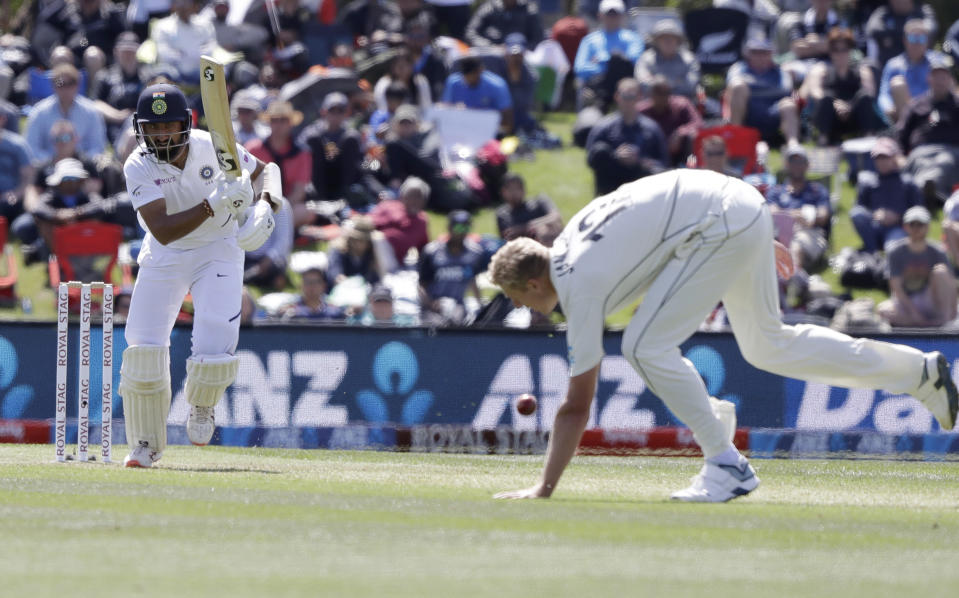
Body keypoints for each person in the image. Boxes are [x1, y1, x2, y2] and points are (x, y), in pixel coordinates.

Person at [489, 169, 958, 502]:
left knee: (642, 345)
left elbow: (576, 405)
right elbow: (656, 212)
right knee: (766, 343)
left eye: (513, 295)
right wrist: (754, 230)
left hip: (721, 222)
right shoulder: (572, 238)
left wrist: (544, 488)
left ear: (533, 283)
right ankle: (918, 373)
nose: (516, 305)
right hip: (734, 207)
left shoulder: (578, 285)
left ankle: (725, 463)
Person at [119, 83, 278, 467]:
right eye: (152, 128)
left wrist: (266, 206)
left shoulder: (214, 146)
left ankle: (202, 406)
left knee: (216, 338)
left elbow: (265, 171)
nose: (160, 136)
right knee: (142, 348)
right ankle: (145, 444)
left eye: (167, 126)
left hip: (219, 248)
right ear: (140, 130)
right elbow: (164, 230)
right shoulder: (137, 164)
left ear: (185, 124)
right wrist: (212, 203)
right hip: (167, 252)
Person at [585, 78, 667, 196]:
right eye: (625, 96)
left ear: (639, 97)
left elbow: (663, 163)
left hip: (642, 189)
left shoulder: (652, 129)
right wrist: (615, 156)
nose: (628, 102)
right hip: (611, 188)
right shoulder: (603, 127)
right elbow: (591, 159)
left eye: (632, 97)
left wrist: (638, 161)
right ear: (617, 97)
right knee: (601, 149)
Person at [878, 206, 957, 327]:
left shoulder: (938, 251)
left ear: (928, 227)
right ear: (905, 226)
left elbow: (950, 284)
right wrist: (914, 314)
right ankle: (928, 324)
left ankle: (944, 323)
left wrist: (951, 311)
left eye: (920, 224)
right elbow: (896, 288)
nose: (916, 228)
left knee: (941, 272)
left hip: (931, 299)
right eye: (912, 224)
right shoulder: (895, 251)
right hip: (906, 302)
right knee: (883, 310)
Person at [897, 55, 959, 205]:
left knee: (944, 163)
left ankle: (921, 192)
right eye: (936, 76)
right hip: (920, 152)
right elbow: (900, 134)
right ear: (929, 79)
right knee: (921, 163)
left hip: (949, 151)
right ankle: (931, 193)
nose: (940, 81)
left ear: (950, 80)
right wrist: (899, 156)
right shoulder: (915, 105)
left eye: (943, 77)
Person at [764, 145, 831, 272]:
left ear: (807, 165)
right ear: (786, 165)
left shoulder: (817, 190)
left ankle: (793, 281)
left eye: (800, 162)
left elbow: (823, 215)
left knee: (796, 246)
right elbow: (770, 212)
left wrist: (805, 218)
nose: (796, 166)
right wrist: (795, 215)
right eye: (792, 162)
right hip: (779, 233)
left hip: (809, 233)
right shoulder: (776, 191)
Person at [850, 137, 921, 253]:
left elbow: (919, 211)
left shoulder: (908, 182)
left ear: (894, 158)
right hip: (873, 227)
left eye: (885, 157)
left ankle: (890, 258)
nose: (881, 161)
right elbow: (859, 207)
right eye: (878, 158)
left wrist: (898, 216)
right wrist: (875, 214)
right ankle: (872, 252)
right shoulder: (867, 181)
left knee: (893, 250)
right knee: (857, 214)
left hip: (898, 228)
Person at [726, 37, 799, 147]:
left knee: (788, 104)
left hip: (773, 112)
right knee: (738, 87)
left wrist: (752, 86)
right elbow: (733, 85)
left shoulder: (780, 71)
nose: (760, 56)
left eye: (764, 53)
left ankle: (793, 146)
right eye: (755, 52)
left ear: (771, 54)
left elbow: (785, 89)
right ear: (748, 54)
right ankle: (736, 136)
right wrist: (767, 88)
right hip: (748, 112)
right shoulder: (738, 68)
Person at [418, 210, 487, 325]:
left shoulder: (475, 253)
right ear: (449, 228)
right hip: (433, 307)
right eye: (459, 228)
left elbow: (472, 279)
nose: (462, 233)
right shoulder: (432, 252)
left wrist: (480, 304)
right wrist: (431, 304)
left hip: (458, 306)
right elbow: (421, 286)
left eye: (466, 228)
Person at [573, 0, 643, 111]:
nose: (612, 17)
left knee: (619, 63)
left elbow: (634, 62)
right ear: (600, 15)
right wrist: (611, 63)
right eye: (608, 14)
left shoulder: (633, 38)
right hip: (597, 87)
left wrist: (601, 61)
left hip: (625, 86)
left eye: (615, 14)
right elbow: (580, 68)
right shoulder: (589, 40)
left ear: (622, 15)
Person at [370, 175, 430, 263]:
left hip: (398, 263)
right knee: (378, 238)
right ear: (402, 196)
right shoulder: (388, 207)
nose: (415, 200)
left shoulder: (422, 221)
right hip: (373, 257)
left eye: (419, 196)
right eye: (411, 196)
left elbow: (423, 248)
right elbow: (368, 224)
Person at [634, 19, 700, 100]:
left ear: (678, 40)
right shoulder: (646, 59)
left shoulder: (689, 59)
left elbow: (690, 85)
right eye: (663, 38)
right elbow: (643, 84)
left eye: (671, 37)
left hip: (683, 103)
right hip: (653, 103)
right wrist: (677, 82)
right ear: (656, 41)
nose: (667, 41)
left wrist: (659, 83)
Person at [495, 172, 562, 246]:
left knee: (545, 229)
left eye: (517, 188)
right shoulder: (503, 215)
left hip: (553, 243)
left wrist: (528, 227)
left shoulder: (539, 201)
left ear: (524, 189)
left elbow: (556, 217)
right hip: (526, 250)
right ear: (502, 192)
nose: (514, 192)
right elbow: (508, 237)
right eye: (509, 189)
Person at [281, 266, 345, 321]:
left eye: (316, 282)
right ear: (301, 286)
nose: (312, 286)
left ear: (324, 286)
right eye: (307, 282)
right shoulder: (291, 310)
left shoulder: (334, 311)